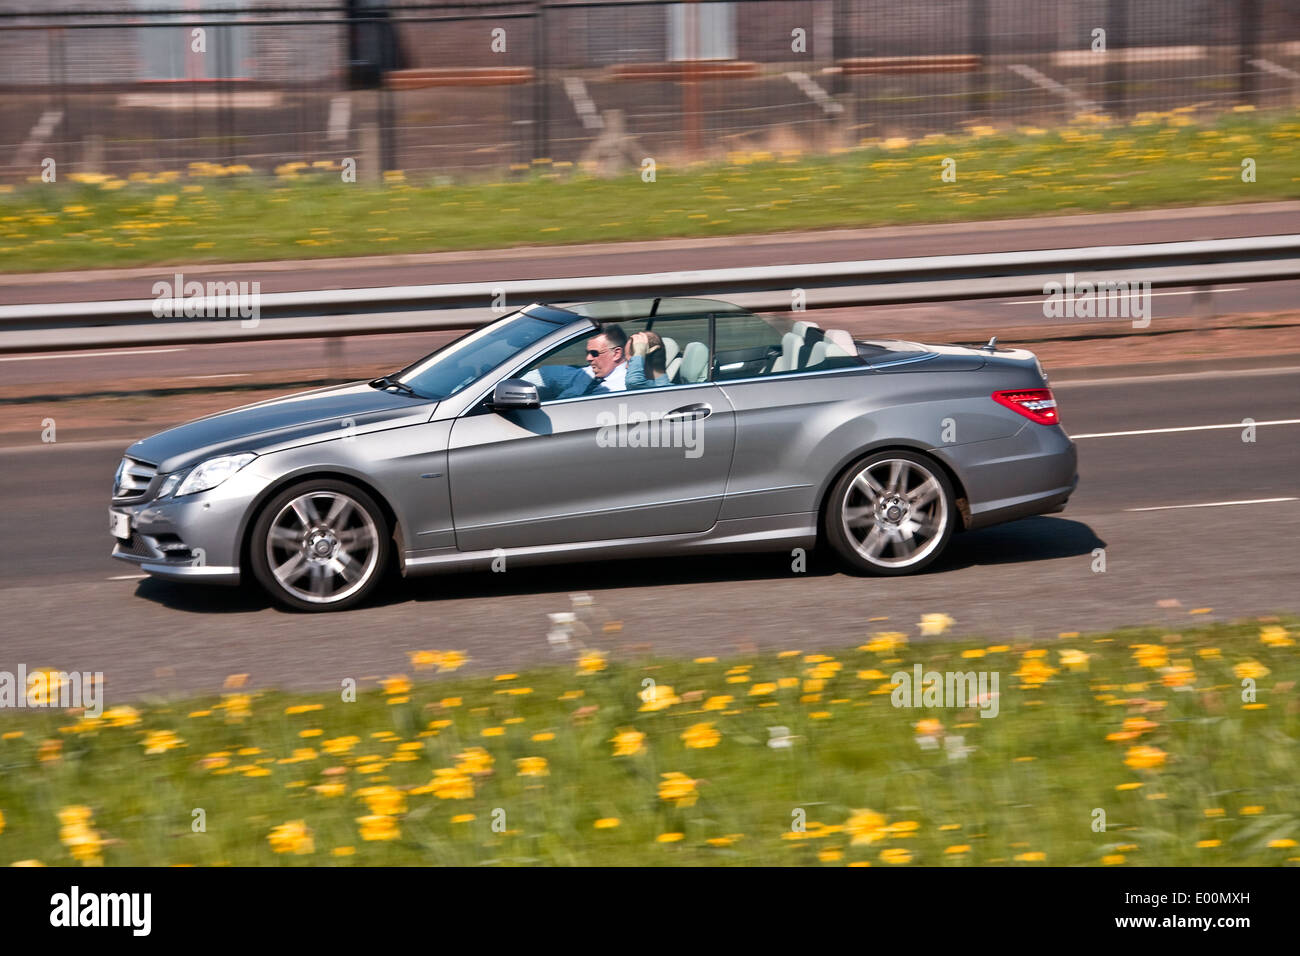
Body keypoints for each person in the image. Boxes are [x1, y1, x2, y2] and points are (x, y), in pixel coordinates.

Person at [524, 324, 629, 401]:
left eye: (594, 353)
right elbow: (548, 375)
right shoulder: (589, 373)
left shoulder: (622, 389)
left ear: (616, 353)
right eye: (587, 353)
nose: (588, 358)